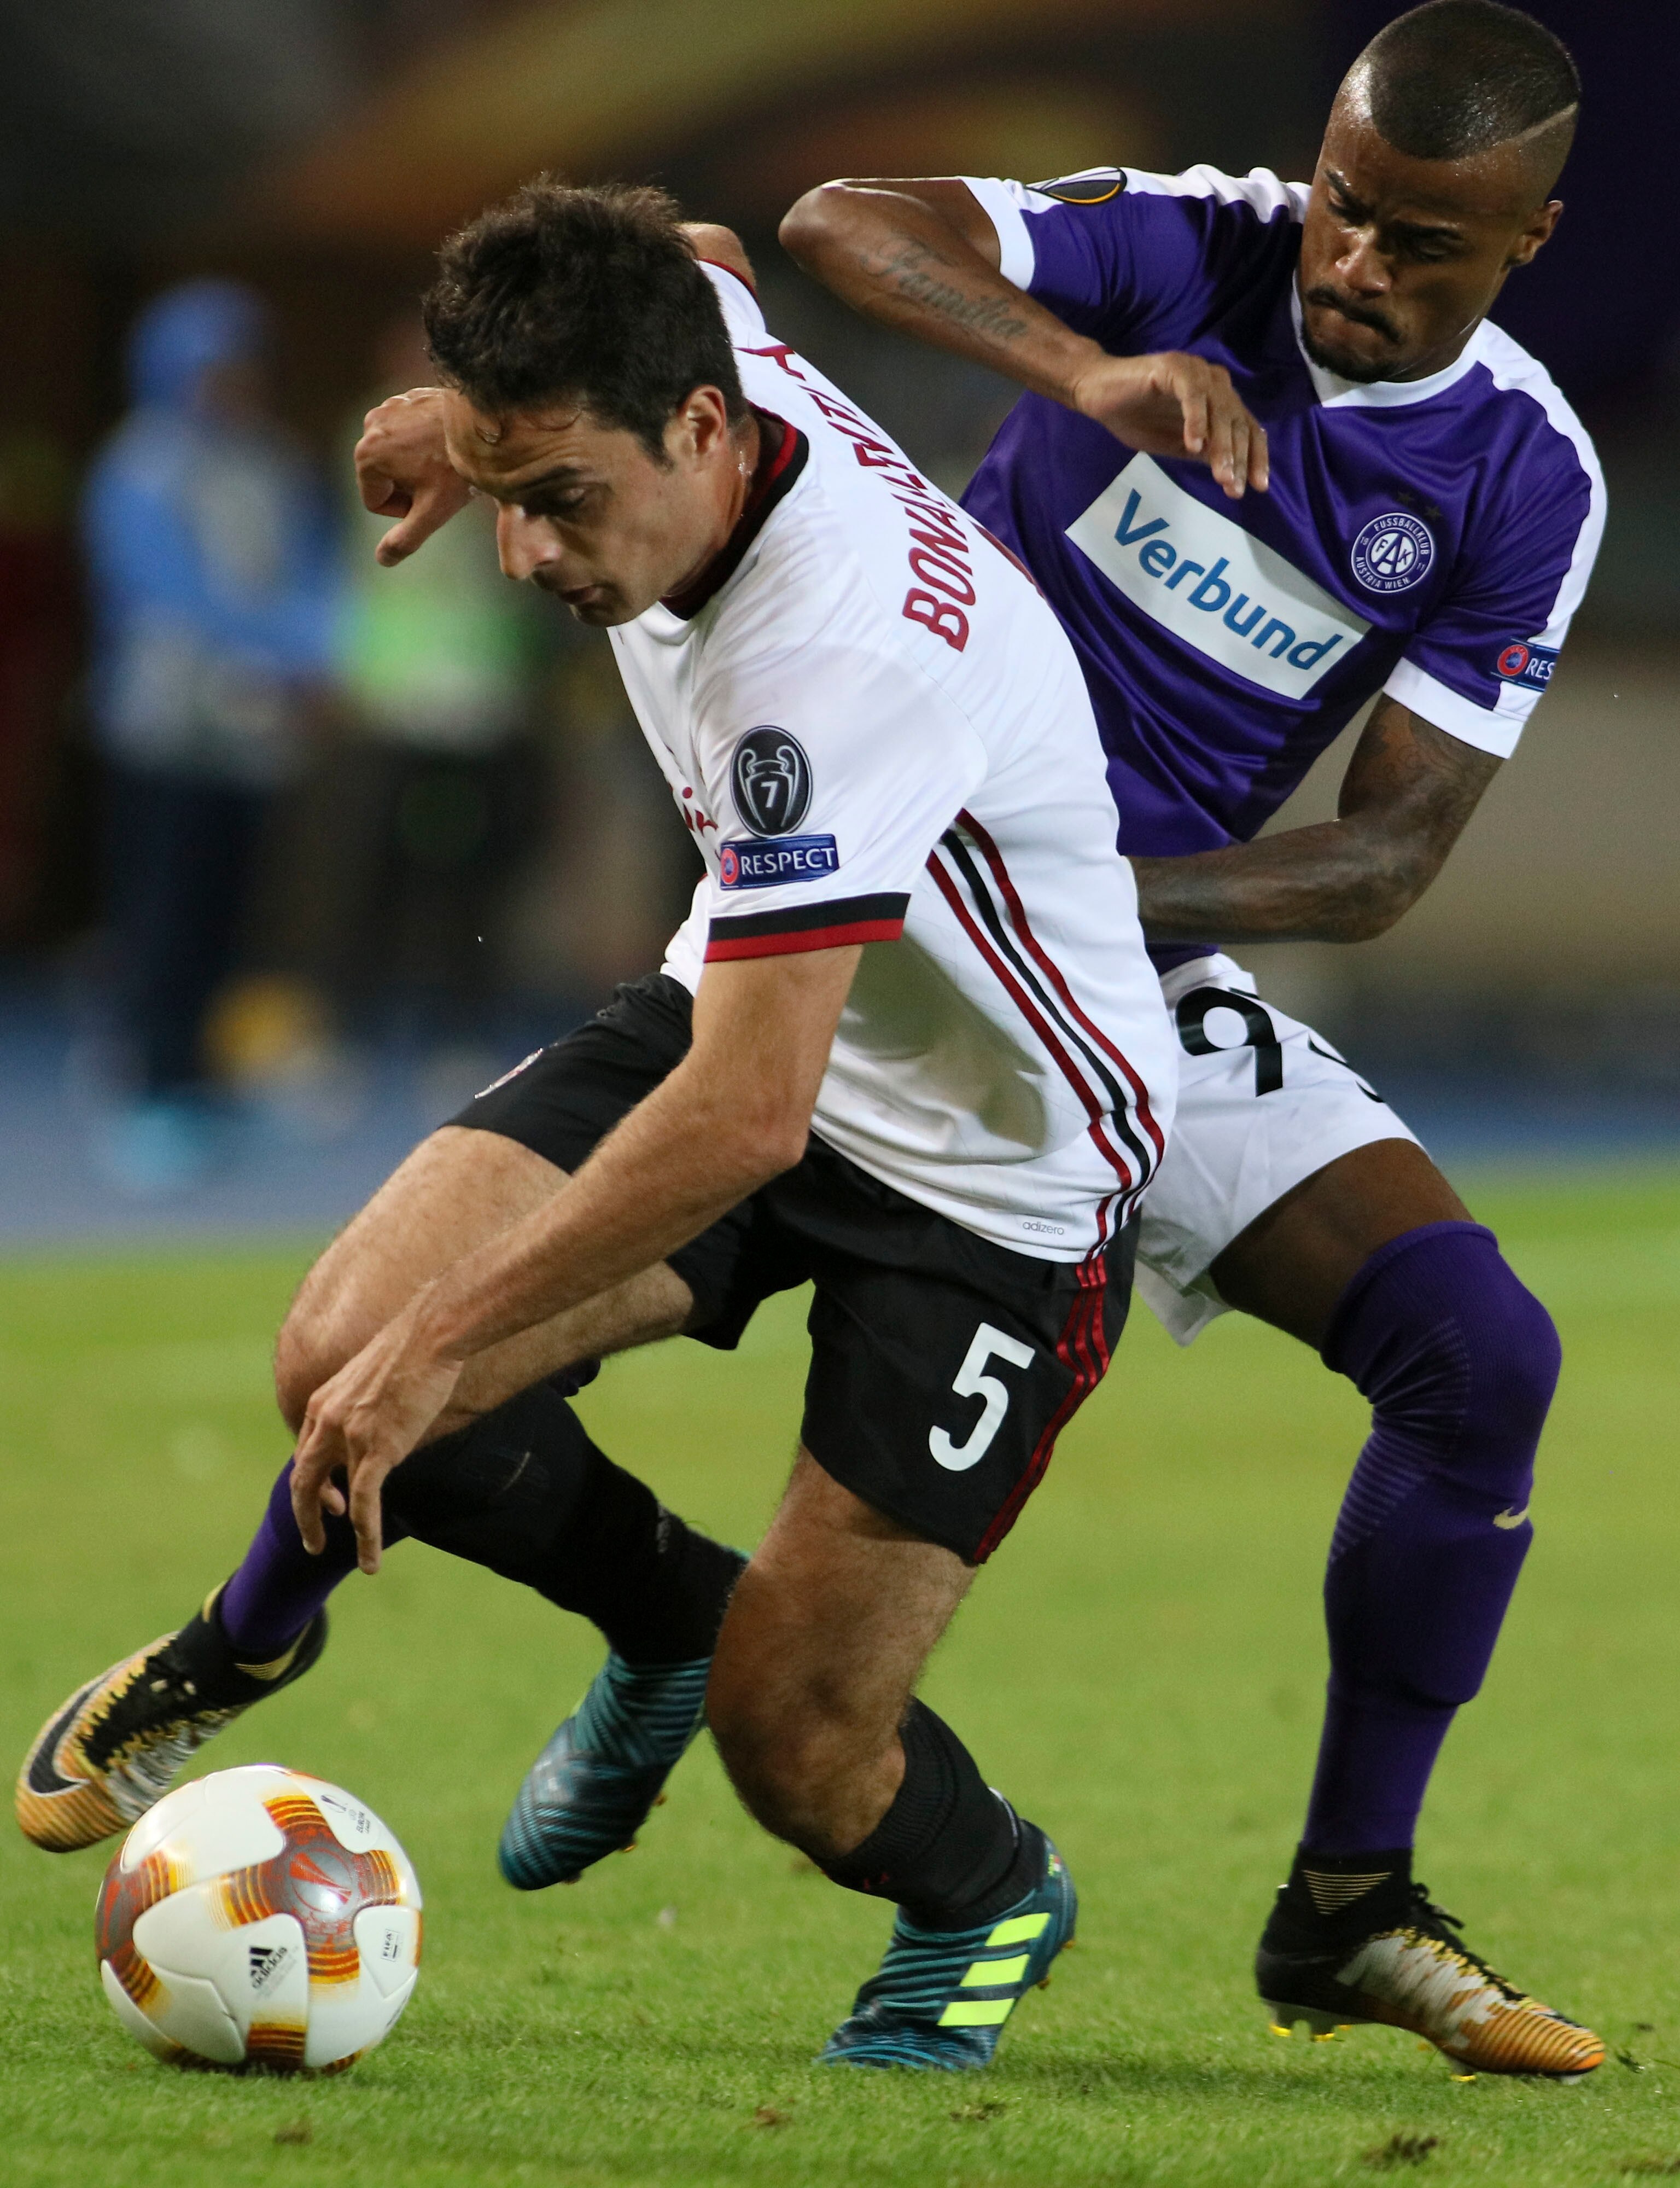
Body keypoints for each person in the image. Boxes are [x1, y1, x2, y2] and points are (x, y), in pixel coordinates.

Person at [19, 180, 1179, 2073]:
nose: (522, 555)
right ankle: (323, 1636)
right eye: (502, 492)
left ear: (701, 433)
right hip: (768, 999)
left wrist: (442, 1348)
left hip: (999, 1177)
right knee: (334, 1346)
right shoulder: (689, 335)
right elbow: (695, 243)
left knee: (793, 1741)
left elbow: (743, 1120)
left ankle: (986, 1893)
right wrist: (453, 425)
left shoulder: (835, 661)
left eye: (557, 499)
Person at [774, 0, 1604, 2072]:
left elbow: (1384, 856)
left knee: (1480, 1358)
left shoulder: (1526, 476)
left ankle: (1345, 1904)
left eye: (1425, 242)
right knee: (520, 1310)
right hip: (869, 918)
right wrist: (1083, 371)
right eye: (1345, 205)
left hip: (1120, 956)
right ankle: (282, 1633)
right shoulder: (1191, 247)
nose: (1353, 264)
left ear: (1533, 241)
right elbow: (832, 218)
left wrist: (1077, 897)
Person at [81, 280, 335, 1191]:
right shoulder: (143, 466)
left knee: (227, 914)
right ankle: (150, 1083)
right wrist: (277, 649)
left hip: (249, 736)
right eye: (215, 366)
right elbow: (167, 591)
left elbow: (309, 571)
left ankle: (199, 1072)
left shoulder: (268, 462)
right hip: (165, 728)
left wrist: (316, 653)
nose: (233, 382)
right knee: (163, 917)